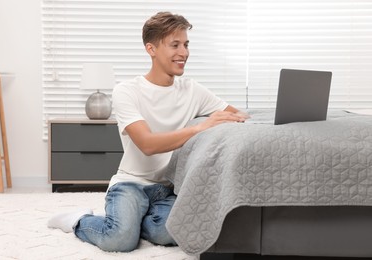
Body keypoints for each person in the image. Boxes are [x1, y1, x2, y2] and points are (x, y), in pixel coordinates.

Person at [47, 11, 250, 252]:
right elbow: (147, 144)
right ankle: (78, 220)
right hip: (131, 183)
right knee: (119, 240)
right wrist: (201, 127)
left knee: (170, 233)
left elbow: (239, 115)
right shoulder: (127, 91)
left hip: (169, 187)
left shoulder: (192, 90)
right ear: (151, 49)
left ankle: (134, 220)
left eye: (186, 44)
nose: (183, 52)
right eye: (175, 45)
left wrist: (243, 120)